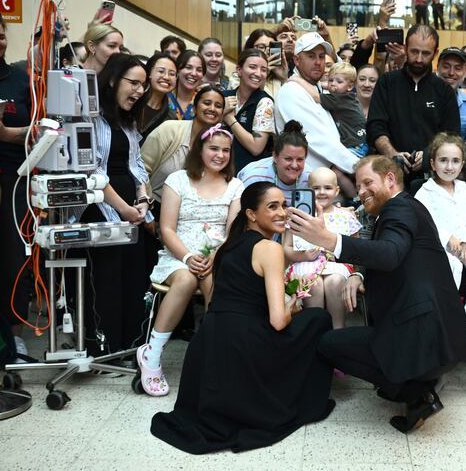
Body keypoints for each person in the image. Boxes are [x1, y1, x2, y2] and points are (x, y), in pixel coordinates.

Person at [287, 155, 466, 433]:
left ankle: (414, 391)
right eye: (358, 186)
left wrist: (327, 239)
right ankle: (418, 389)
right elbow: (394, 256)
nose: (361, 192)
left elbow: (390, 253)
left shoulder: (399, 210)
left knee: (327, 343)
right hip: (441, 339)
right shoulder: (407, 208)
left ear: (390, 179)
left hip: (420, 339)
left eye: (367, 183)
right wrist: (358, 274)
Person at [150, 182, 335, 453]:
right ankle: (302, 398)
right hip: (245, 344)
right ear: (250, 214)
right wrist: (293, 306)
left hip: (209, 342)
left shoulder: (227, 247)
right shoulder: (270, 249)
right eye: (272, 206)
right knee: (318, 319)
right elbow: (277, 321)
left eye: (283, 205)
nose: (282, 212)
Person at [137, 124, 243, 395]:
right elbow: (167, 229)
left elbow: (233, 230)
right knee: (184, 280)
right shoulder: (178, 180)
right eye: (213, 148)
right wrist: (186, 255)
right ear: (200, 149)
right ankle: (152, 354)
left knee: (215, 281)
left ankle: (215, 358)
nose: (220, 155)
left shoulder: (235, 185)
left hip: (216, 255)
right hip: (178, 253)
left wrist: (216, 255)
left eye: (226, 150)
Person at [76, 53, 152, 355]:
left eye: (142, 85)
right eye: (133, 83)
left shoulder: (129, 121)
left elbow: (138, 164)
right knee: (106, 281)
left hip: (131, 209)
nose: (138, 91)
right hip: (100, 208)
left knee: (132, 279)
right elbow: (91, 170)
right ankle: (104, 349)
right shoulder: (90, 118)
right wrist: (124, 208)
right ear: (111, 80)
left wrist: (144, 199)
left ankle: (128, 347)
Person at [415, 133, 466, 343]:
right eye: (443, 160)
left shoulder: (465, 190)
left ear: (462, 164)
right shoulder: (425, 192)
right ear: (432, 163)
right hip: (438, 251)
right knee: (453, 265)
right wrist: (448, 237)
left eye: (455, 161)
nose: (449, 167)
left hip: (465, 248)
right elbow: (423, 224)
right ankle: (447, 318)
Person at [367, 25, 460, 184]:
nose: (418, 59)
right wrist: (392, 153)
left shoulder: (444, 90)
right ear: (405, 48)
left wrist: (430, 153)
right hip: (388, 175)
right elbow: (375, 125)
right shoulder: (387, 82)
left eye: (425, 53)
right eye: (414, 51)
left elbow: (452, 135)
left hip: (432, 177)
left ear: (435, 53)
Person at [0, 8, 33, 358]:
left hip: (12, 179)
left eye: (1, 36)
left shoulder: (20, 80)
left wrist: (8, 133)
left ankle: (15, 335)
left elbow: (43, 130)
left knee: (12, 260)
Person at [283, 167, 360, 330]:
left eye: (327, 188)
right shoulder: (298, 217)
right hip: (305, 264)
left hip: (337, 266)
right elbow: (286, 248)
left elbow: (357, 250)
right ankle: (314, 331)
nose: (322, 192)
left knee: (335, 281)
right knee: (314, 284)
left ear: (337, 190)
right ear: (308, 190)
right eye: (316, 188)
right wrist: (303, 256)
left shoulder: (345, 215)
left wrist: (340, 255)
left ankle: (338, 330)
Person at [274, 31, 358, 174]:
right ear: (296, 60)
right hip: (309, 183)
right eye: (311, 56)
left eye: (321, 56)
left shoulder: (317, 87)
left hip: (328, 179)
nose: (318, 62)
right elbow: (321, 141)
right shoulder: (292, 91)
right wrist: (361, 167)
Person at [142, 86, 225, 204]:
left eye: (218, 106)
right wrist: (146, 206)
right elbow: (141, 169)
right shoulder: (170, 129)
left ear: (222, 114)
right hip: (153, 206)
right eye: (207, 103)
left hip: (189, 215)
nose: (212, 108)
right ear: (194, 108)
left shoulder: (220, 145)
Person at [291, 61, 368, 158]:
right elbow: (326, 85)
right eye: (331, 80)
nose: (333, 84)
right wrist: (321, 84)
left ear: (350, 86)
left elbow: (316, 96)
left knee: (336, 169)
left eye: (339, 81)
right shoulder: (349, 97)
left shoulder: (339, 99)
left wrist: (297, 80)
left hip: (354, 145)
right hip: (361, 142)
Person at [222, 49, 275, 170]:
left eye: (263, 70)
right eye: (252, 67)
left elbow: (256, 147)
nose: (258, 73)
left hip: (249, 174)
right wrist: (220, 113)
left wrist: (229, 118)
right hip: (218, 169)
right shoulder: (223, 96)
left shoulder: (265, 102)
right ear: (239, 70)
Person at [238, 120, 312, 203]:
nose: (294, 165)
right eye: (288, 159)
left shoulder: (311, 178)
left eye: (300, 159)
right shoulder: (254, 177)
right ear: (275, 157)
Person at [437, 47, 466, 143]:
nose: (451, 73)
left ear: (465, 72)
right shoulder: (423, 96)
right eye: (446, 66)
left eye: (458, 68)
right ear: (438, 67)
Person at [136, 52, 177, 142]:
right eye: (161, 71)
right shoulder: (133, 100)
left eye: (172, 74)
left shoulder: (171, 118)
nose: (166, 77)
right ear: (149, 73)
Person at [243, 28, 288, 98]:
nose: (267, 51)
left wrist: (284, 79)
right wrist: (263, 74)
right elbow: (250, 104)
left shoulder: (276, 76)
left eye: (271, 47)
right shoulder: (239, 76)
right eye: (261, 47)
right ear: (250, 49)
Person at [168, 50, 206, 120]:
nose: (194, 73)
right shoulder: (163, 97)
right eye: (188, 67)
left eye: (199, 70)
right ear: (178, 70)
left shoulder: (204, 102)